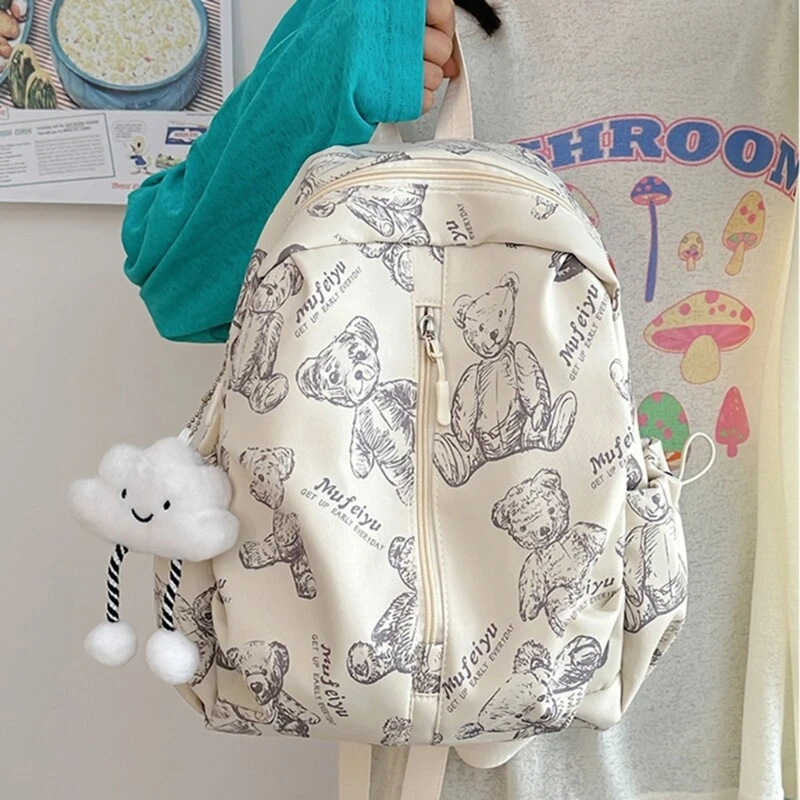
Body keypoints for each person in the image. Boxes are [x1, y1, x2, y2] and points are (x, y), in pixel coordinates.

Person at [121, 1, 798, 798]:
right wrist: (340, 44)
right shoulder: (411, 11)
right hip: (442, 727)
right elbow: (178, 278)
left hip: (753, 684)